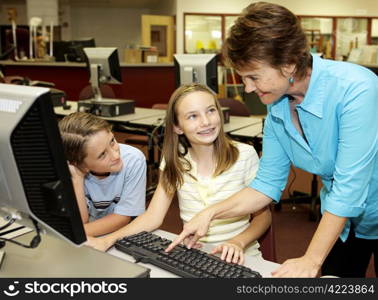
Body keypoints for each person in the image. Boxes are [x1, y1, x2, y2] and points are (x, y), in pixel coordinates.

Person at [167, 2, 378, 278]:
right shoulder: (277, 103)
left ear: (288, 64)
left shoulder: (357, 88)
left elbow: (350, 188)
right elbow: (266, 185)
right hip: (343, 221)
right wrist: (210, 213)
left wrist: (311, 260)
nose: (248, 88)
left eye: (253, 77)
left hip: (354, 205)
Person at [86, 83, 271, 265]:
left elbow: (263, 216)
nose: (206, 122)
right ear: (177, 127)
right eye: (192, 116)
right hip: (196, 255)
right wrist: (107, 240)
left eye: (211, 111)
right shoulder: (175, 160)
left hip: (240, 255)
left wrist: (238, 241)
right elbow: (153, 217)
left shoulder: (245, 155)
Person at [59, 112, 146, 237]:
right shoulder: (70, 169)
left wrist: (75, 232)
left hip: (120, 234)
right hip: (87, 236)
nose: (116, 156)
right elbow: (79, 221)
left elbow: (123, 218)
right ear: (80, 164)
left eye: (112, 141)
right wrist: (77, 179)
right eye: (102, 155)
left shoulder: (133, 160)